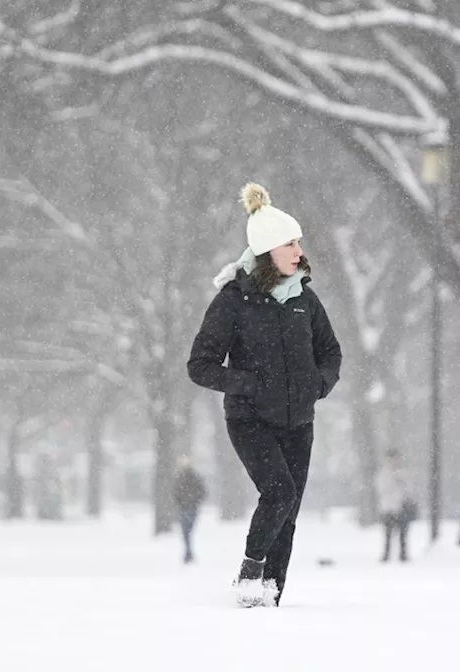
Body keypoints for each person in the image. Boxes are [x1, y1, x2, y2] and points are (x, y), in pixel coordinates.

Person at [187, 182, 343, 607]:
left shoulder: (304, 300)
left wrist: (318, 384)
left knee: (288, 512)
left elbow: (330, 352)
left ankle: (270, 594)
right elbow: (199, 365)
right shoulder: (233, 301)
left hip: (299, 422)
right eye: (290, 243)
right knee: (279, 492)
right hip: (250, 419)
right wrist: (248, 384)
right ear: (267, 250)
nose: (298, 250)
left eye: (298, 242)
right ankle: (250, 572)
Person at [374, 450, 412, 563]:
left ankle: (403, 555)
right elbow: (382, 489)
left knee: (403, 534)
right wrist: (395, 482)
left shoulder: (403, 473)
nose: (395, 460)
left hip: (401, 507)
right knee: (388, 534)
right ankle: (386, 555)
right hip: (388, 508)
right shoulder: (383, 473)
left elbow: (409, 489)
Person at [173, 456, 207, 564]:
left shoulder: (192, 478)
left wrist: (193, 501)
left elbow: (201, 492)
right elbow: (176, 492)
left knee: (187, 531)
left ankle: (188, 553)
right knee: (186, 532)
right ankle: (188, 553)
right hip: (186, 508)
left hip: (189, 508)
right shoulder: (182, 478)